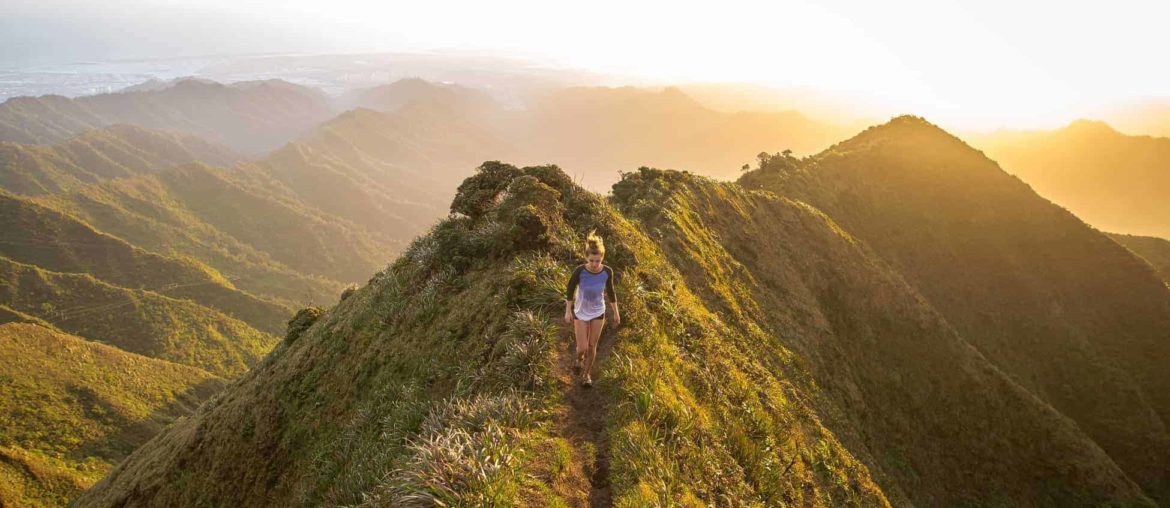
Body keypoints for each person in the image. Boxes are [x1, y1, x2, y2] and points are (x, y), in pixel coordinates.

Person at [564, 230, 620, 387]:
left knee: (591, 346)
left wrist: (616, 313)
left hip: (598, 312)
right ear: (586, 258)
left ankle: (586, 375)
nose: (595, 264)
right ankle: (578, 358)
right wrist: (568, 311)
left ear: (602, 258)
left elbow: (611, 292)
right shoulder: (580, 271)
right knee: (582, 347)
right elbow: (570, 290)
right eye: (592, 260)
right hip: (580, 312)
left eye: (598, 260)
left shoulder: (607, 272)